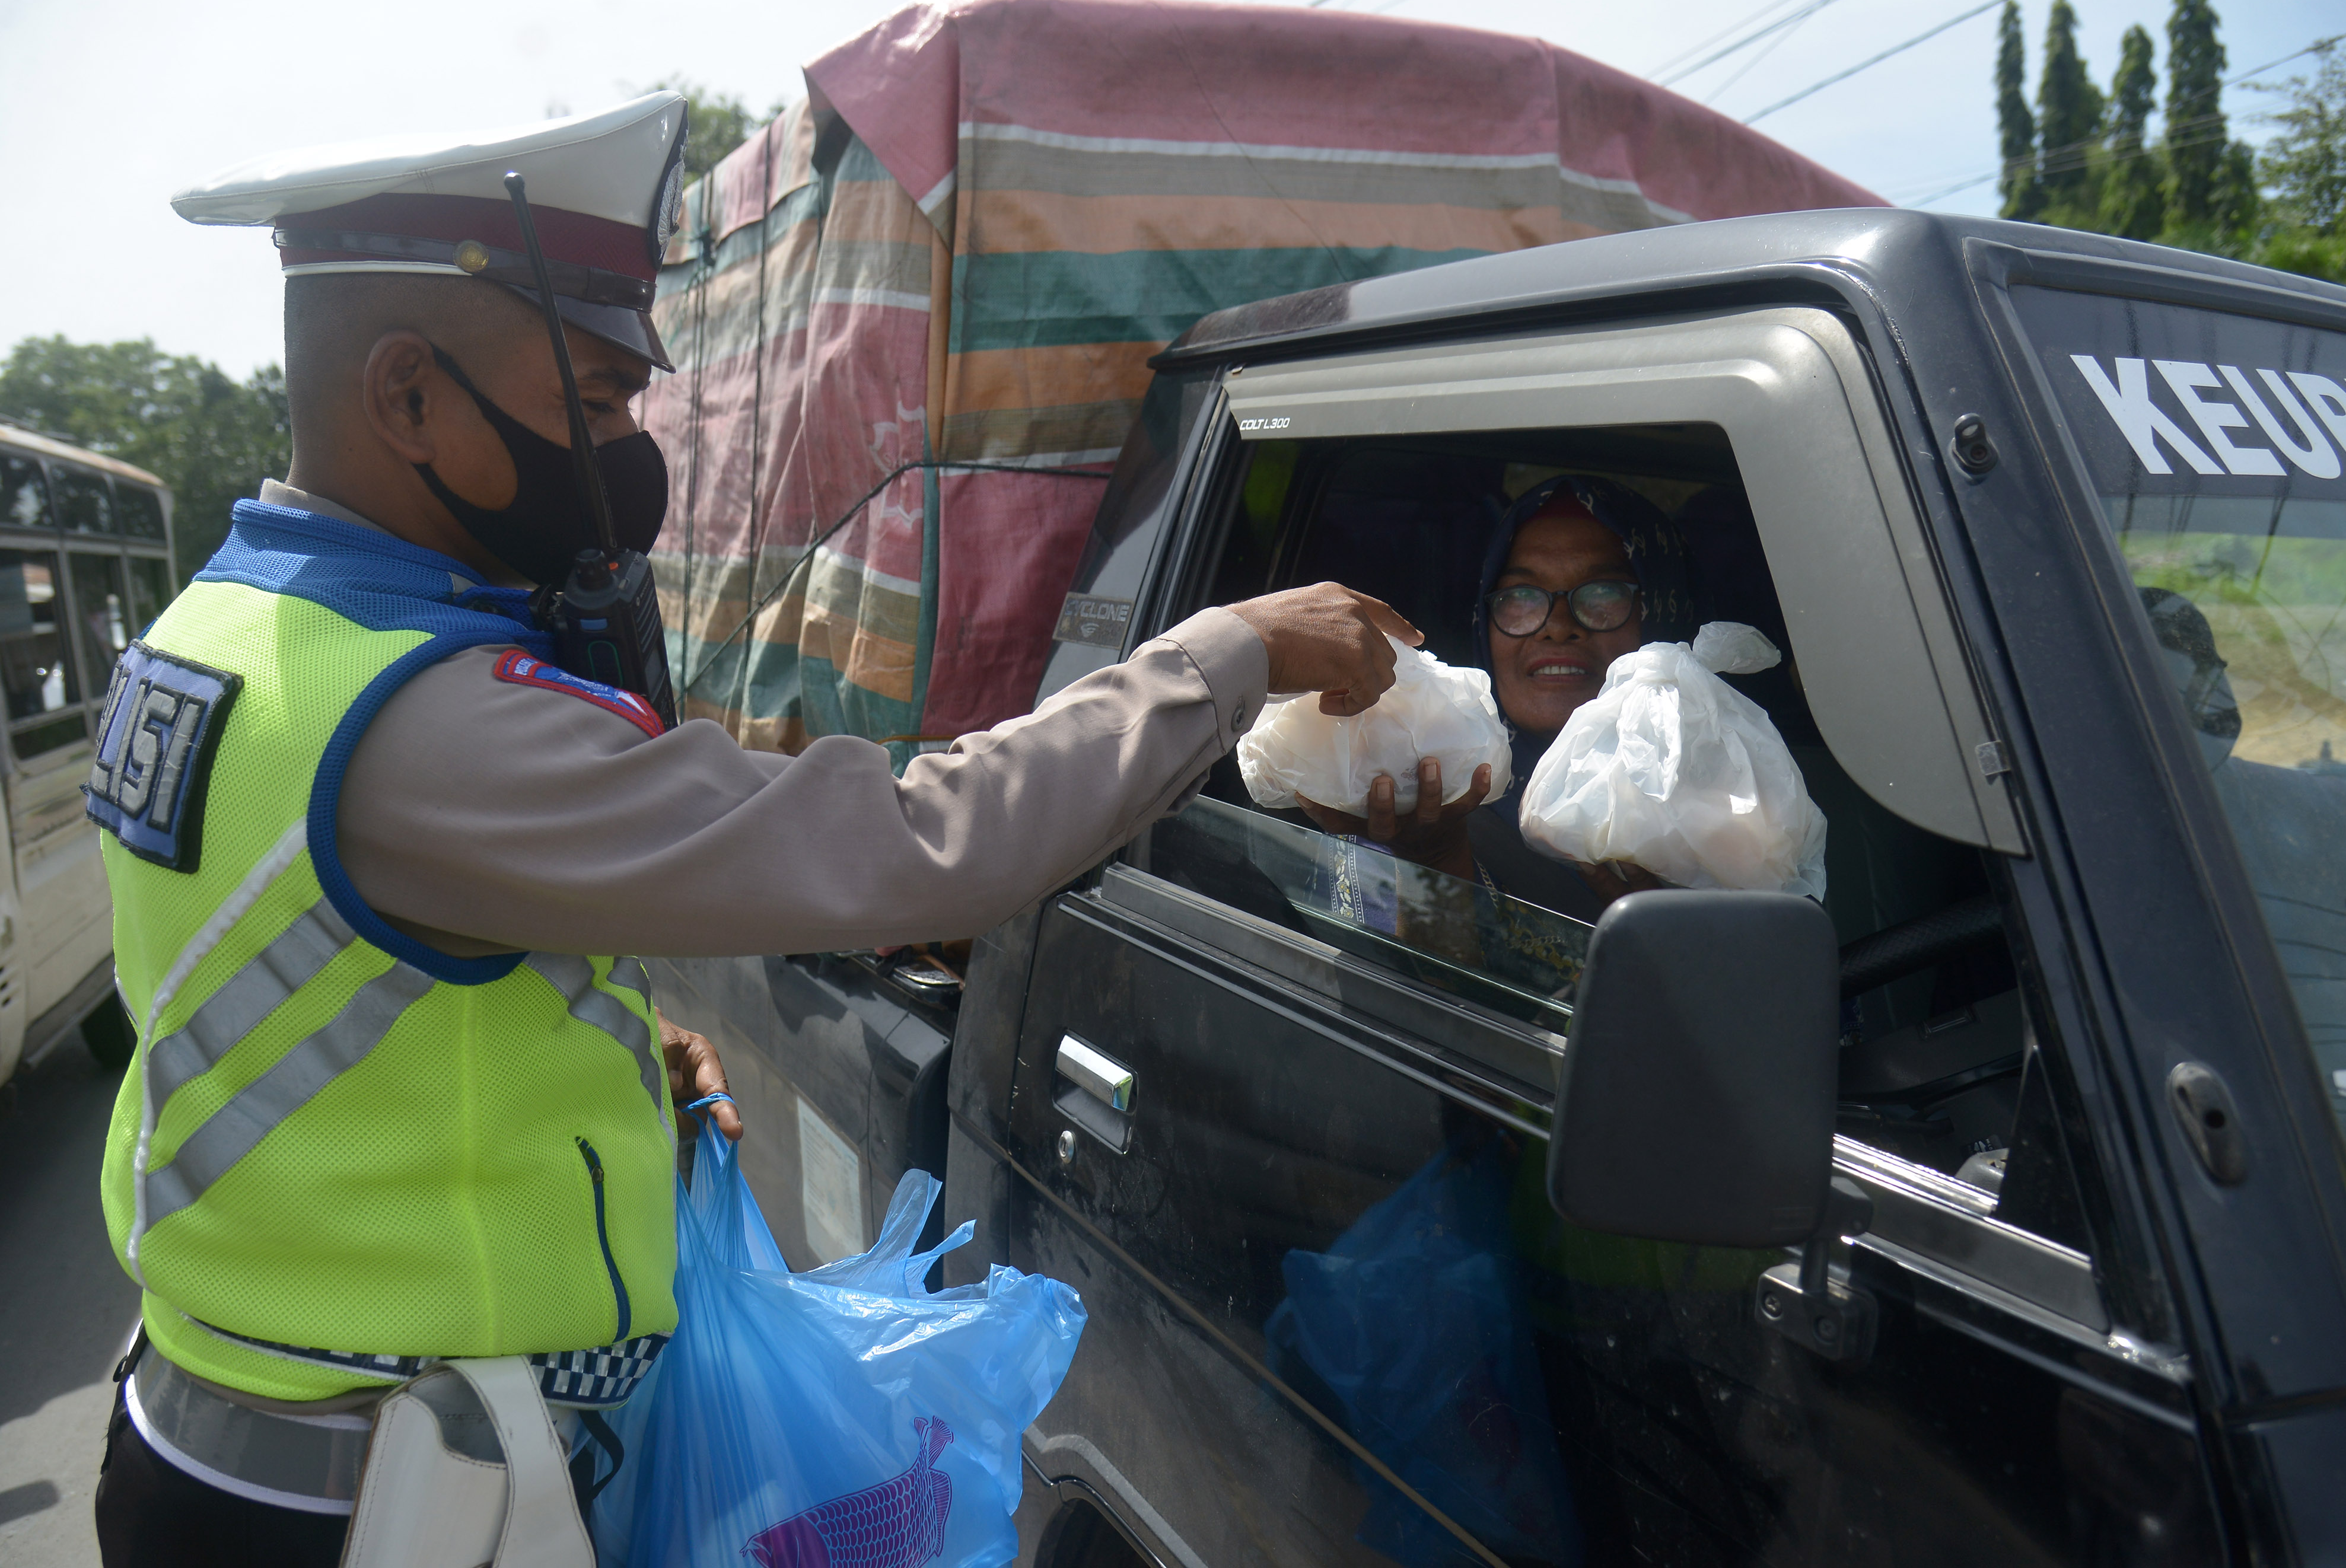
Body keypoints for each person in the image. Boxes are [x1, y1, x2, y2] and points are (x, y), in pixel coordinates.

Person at [90, 94, 1414, 1566]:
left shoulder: (226, 630)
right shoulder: (430, 722)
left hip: (221, 1420)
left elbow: (321, 970)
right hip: (390, 1503)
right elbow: (923, 842)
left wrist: (578, 1056)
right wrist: (1225, 651)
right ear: (407, 396)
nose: (626, 450)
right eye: (592, 403)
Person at [1295, 474, 1695, 919]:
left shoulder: (1740, 806)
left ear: (1663, 611)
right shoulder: (1412, 797)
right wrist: (1435, 863)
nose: (1558, 624)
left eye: (1604, 592)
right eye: (1522, 595)